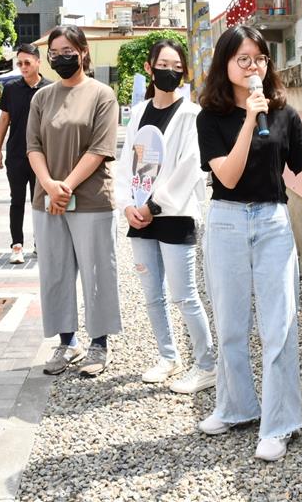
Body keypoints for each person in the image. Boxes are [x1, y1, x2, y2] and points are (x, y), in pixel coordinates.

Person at [195, 25, 302, 462]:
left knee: (279, 325)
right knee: (230, 325)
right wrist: (247, 121)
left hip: (273, 222)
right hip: (226, 221)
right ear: (225, 64)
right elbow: (227, 176)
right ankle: (236, 408)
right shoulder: (210, 118)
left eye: (259, 59)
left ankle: (279, 424)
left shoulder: (284, 115)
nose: (253, 67)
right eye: (243, 59)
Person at [115, 40, 216, 394]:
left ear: (184, 72)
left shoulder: (192, 115)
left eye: (177, 67)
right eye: (163, 65)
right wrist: (127, 204)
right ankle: (168, 357)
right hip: (139, 215)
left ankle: (206, 365)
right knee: (151, 294)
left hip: (174, 214)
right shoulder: (139, 112)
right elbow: (127, 162)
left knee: (184, 295)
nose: (169, 72)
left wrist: (153, 206)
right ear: (149, 68)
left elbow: (191, 166)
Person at [27, 25, 121, 377]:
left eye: (68, 51)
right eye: (55, 53)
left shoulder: (102, 95)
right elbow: (33, 146)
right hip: (47, 199)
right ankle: (67, 342)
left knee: (97, 272)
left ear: (83, 52)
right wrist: (49, 186)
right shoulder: (42, 98)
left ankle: (99, 343)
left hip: (91, 199)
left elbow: (100, 148)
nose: (61, 58)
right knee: (55, 271)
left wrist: (64, 187)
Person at [0, 43, 49, 263]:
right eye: (20, 63)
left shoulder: (50, 89)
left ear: (38, 62)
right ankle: (16, 245)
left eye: (27, 62)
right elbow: (4, 119)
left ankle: (41, 243)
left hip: (43, 156)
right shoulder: (11, 88)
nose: (23, 67)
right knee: (16, 200)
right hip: (16, 154)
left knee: (40, 202)